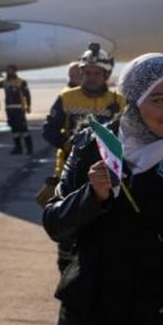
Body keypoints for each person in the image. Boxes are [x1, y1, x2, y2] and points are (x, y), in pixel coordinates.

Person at [43, 53, 163, 325]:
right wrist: (92, 196)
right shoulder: (92, 143)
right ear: (134, 99)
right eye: (160, 100)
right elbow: (55, 225)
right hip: (91, 307)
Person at [40, 43, 125, 272]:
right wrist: (70, 145)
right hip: (70, 174)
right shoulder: (67, 97)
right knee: (68, 239)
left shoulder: (119, 101)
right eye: (87, 72)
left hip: (109, 178)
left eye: (97, 73)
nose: (92, 77)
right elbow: (48, 130)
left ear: (106, 74)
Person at [0, 64, 33, 155]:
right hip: (9, 109)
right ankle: (18, 148)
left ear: (14, 71)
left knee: (23, 129)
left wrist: (28, 106)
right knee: (14, 129)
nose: (8, 72)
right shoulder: (5, 82)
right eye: (7, 70)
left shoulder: (21, 82)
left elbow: (27, 94)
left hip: (19, 109)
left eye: (10, 70)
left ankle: (29, 148)